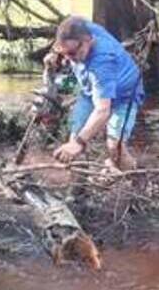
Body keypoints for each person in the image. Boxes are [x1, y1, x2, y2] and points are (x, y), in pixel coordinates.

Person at [44, 15, 143, 172]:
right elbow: (70, 24)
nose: (71, 59)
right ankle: (77, 190)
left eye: (73, 53)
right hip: (90, 90)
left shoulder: (102, 63)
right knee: (74, 137)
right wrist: (56, 54)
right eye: (65, 54)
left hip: (124, 94)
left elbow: (103, 111)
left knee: (114, 148)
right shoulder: (80, 28)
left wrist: (79, 143)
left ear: (88, 41)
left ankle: (136, 181)